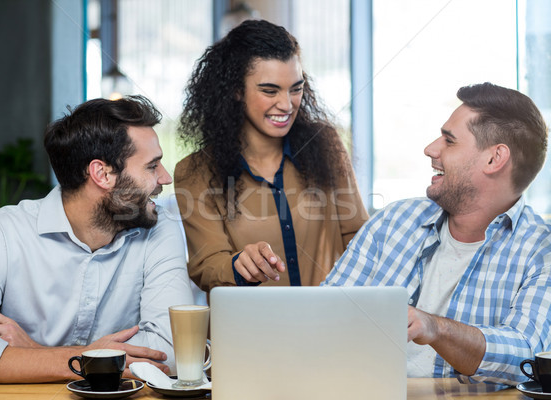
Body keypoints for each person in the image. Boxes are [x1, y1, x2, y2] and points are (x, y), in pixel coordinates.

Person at [0, 95, 194, 385]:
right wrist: (82, 358)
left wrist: (36, 353)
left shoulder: (159, 229)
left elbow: (172, 352)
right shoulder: (2, 232)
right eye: (152, 166)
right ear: (101, 174)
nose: (165, 178)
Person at [323, 82, 551, 388]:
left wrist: (436, 328)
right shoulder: (393, 221)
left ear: (494, 159)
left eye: (450, 141)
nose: (431, 149)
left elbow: (527, 359)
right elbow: (322, 316)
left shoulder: (542, 250)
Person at [174, 19, 368, 292]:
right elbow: (207, 266)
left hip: (329, 323)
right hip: (250, 331)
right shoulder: (195, 172)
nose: (287, 104)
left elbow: (358, 236)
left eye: (296, 88)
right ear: (236, 90)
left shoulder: (324, 143)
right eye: (269, 90)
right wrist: (239, 265)